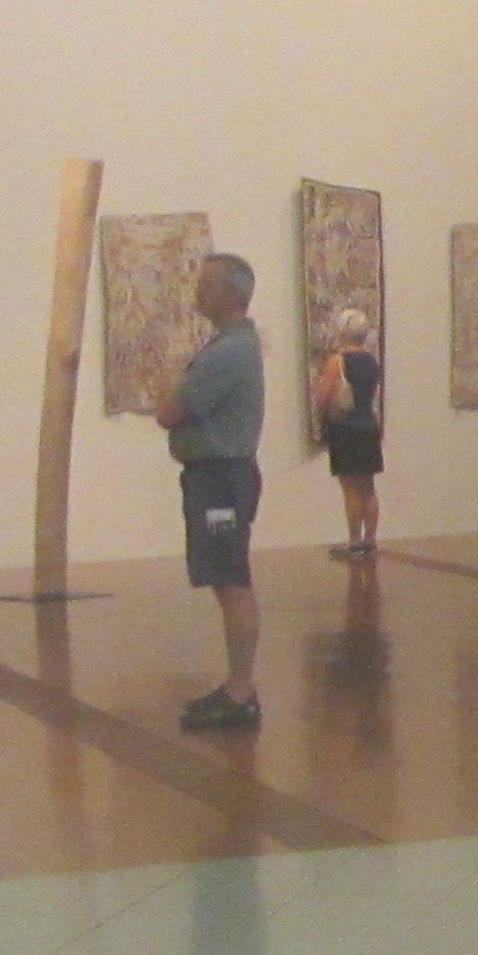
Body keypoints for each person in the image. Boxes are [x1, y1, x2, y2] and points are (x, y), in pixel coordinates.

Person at [157, 251, 266, 733]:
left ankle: (240, 693)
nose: (199, 292)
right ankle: (237, 687)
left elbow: (170, 411)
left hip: (221, 479)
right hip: (215, 477)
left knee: (231, 581)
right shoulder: (228, 346)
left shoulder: (228, 352)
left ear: (234, 294)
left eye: (208, 284)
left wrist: (170, 388)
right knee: (226, 579)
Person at [314, 306, 385, 558]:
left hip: (346, 428)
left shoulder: (337, 361)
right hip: (368, 425)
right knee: (368, 487)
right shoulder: (372, 361)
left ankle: (354, 541)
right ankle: (370, 539)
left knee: (351, 488)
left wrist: (320, 415)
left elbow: (324, 396)